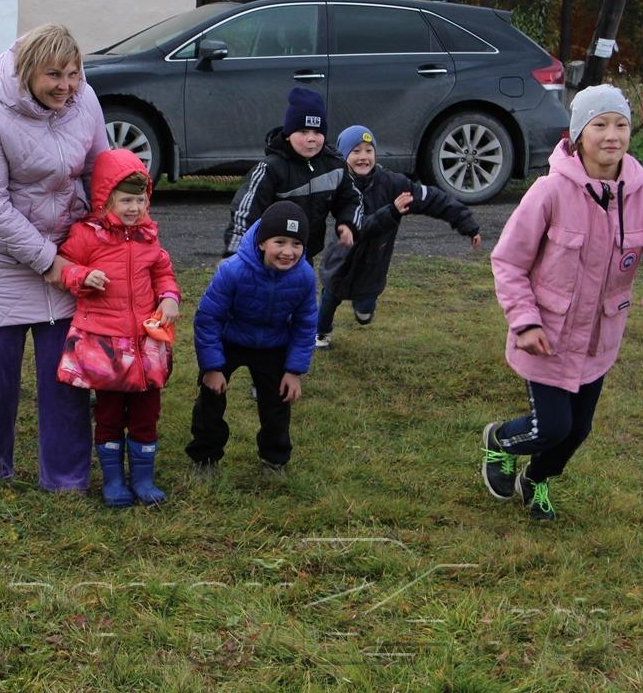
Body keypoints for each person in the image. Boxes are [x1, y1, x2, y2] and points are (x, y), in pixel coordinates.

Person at [481, 85, 643, 521]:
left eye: (620, 124)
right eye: (599, 125)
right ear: (579, 135)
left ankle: (535, 479)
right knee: (552, 426)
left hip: (599, 341)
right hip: (546, 335)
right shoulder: (549, 192)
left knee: (577, 431)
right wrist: (524, 321)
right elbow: (508, 261)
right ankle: (500, 440)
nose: (611, 135)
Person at [0, 23, 109, 493]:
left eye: (74, 73)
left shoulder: (85, 101)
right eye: (53, 74)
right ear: (26, 72)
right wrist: (47, 262)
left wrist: (105, 230)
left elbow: (101, 168)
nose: (66, 85)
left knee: (66, 368)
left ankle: (65, 478)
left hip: (63, 246)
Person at [55, 148, 181, 507]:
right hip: (106, 349)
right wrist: (80, 275)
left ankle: (142, 478)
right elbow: (62, 264)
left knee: (146, 414)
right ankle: (113, 481)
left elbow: (162, 272)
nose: (133, 209)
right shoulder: (87, 235)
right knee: (109, 414)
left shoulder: (148, 237)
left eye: (140, 200)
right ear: (105, 200)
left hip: (145, 346)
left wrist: (169, 297)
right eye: (125, 200)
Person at [315, 124, 481, 349]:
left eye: (368, 150)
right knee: (328, 300)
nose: (363, 157)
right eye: (355, 152)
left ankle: (361, 306)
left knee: (365, 313)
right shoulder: (338, 184)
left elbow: (432, 199)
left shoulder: (393, 184)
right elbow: (360, 227)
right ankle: (322, 333)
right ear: (344, 156)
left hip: (373, 266)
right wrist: (391, 211)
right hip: (340, 261)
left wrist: (466, 222)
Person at [188, 201, 318, 476]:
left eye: (296, 244)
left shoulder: (305, 277)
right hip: (230, 339)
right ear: (261, 243)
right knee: (210, 401)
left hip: (273, 344)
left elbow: (306, 324)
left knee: (277, 406)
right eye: (279, 242)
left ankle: (274, 459)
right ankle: (205, 457)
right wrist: (212, 367)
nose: (287, 252)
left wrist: (294, 371)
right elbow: (208, 317)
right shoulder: (232, 270)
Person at [223, 87, 363, 261]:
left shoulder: (334, 166)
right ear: (288, 135)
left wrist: (347, 223)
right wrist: (233, 255)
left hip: (303, 254)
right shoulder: (269, 169)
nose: (311, 138)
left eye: (317, 132)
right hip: (267, 258)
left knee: (301, 287)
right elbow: (244, 214)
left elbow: (351, 199)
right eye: (303, 131)